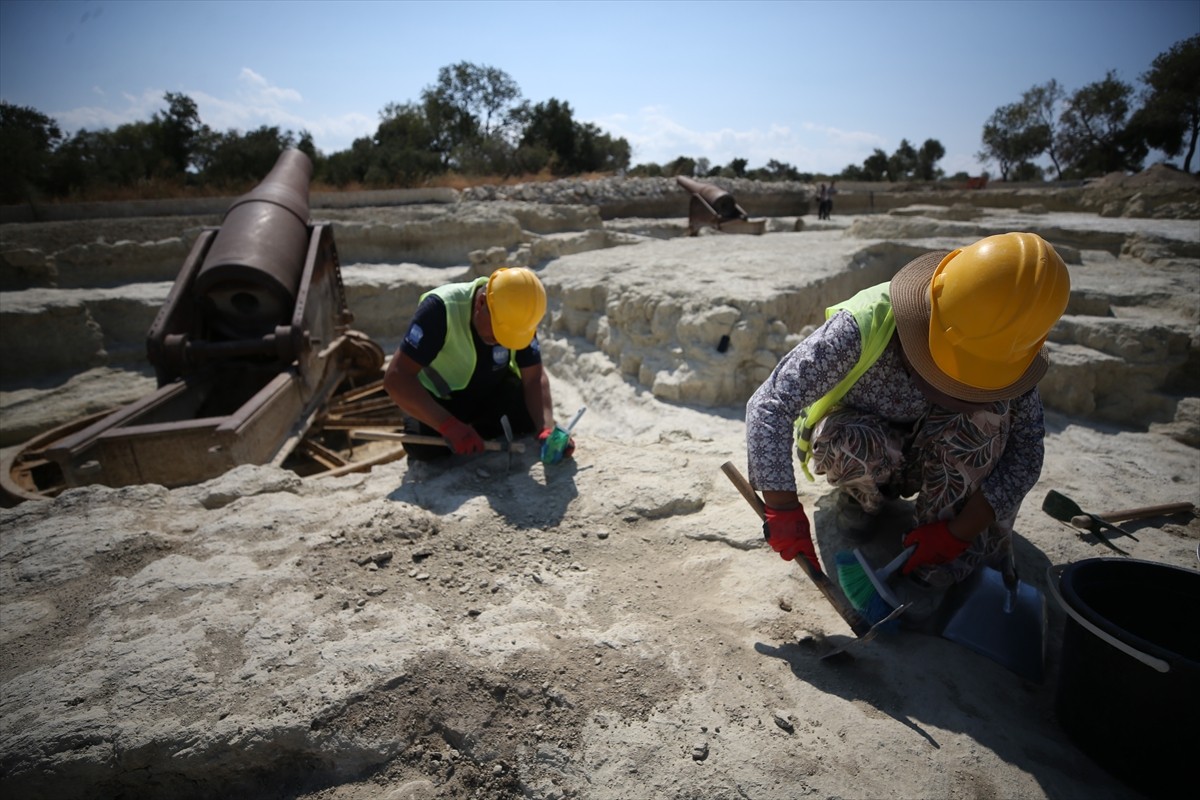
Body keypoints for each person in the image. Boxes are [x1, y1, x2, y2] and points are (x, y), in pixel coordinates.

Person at [745, 232, 1070, 621]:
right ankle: (863, 500)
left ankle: (935, 547)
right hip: (870, 445)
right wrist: (782, 507)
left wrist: (959, 531)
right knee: (847, 442)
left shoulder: (1011, 357)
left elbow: (1026, 451)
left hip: (942, 458)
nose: (953, 391)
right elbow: (771, 402)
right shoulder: (864, 324)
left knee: (988, 420)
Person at [383, 267, 575, 462]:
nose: (502, 341)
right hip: (444, 400)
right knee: (422, 445)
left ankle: (475, 430)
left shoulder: (519, 319)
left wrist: (546, 429)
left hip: (492, 392)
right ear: (481, 303)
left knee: (531, 418)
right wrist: (448, 425)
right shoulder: (441, 309)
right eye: (499, 332)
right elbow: (396, 378)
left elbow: (534, 377)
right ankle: (467, 429)